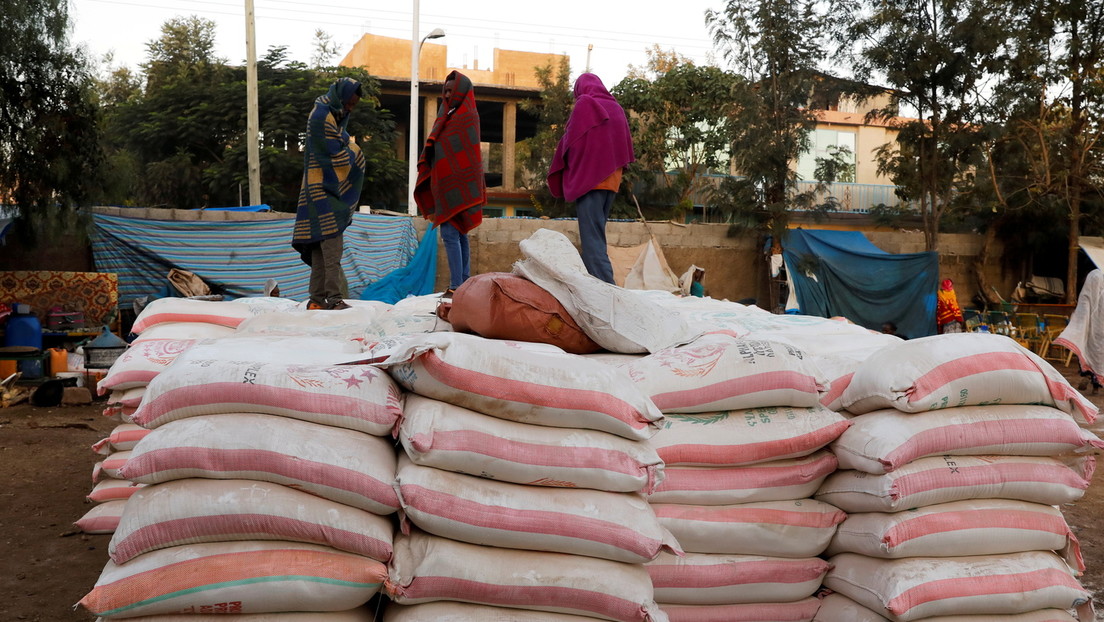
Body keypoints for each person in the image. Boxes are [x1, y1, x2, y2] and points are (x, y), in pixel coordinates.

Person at [547, 72, 635, 284]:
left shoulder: (585, 103)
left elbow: (572, 141)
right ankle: (595, 283)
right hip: (612, 180)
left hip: (590, 180)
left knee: (592, 240)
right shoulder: (616, 107)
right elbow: (622, 143)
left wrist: (566, 162)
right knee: (597, 235)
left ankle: (605, 287)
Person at [291, 77, 366, 311]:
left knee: (320, 255)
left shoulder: (328, 113)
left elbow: (337, 141)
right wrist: (355, 151)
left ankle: (316, 300)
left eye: (353, 105)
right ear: (340, 97)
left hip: (315, 193)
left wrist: (346, 142)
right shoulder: (322, 116)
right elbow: (331, 154)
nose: (349, 109)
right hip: (323, 192)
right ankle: (333, 299)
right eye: (349, 103)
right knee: (332, 252)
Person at [414, 71, 485, 296]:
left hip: (459, 184)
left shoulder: (467, 117)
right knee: (458, 233)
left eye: (451, 91)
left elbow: (464, 154)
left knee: (451, 234)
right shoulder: (447, 114)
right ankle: (462, 283)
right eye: (444, 91)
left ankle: (456, 286)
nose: (446, 95)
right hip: (445, 183)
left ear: (461, 92)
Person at [1055, 269, 1104, 395]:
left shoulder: (1093, 277)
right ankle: (1095, 384)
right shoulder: (1099, 276)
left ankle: (1090, 377)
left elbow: (1082, 310)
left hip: (1091, 330)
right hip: (1100, 330)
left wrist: (1079, 326)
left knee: (1090, 354)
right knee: (1099, 357)